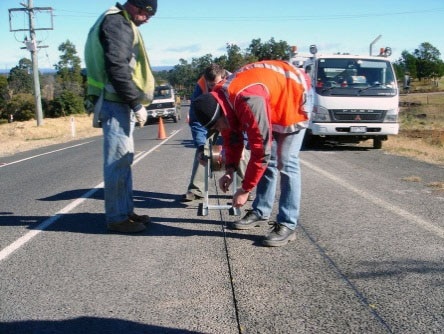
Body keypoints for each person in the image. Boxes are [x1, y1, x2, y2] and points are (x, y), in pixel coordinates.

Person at [192, 60, 312, 247]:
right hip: (272, 97)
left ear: (220, 114)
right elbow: (232, 137)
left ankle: (287, 224)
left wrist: (245, 189)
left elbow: (260, 152)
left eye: (216, 125)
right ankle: (261, 211)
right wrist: (230, 170)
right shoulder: (223, 102)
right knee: (269, 164)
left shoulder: (247, 100)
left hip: (293, 94)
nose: (218, 129)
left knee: (286, 162)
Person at [84, 0, 157, 233]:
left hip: (116, 101)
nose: (147, 20)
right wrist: (135, 104)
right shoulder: (117, 23)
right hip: (115, 102)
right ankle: (117, 218)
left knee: (124, 160)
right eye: (148, 14)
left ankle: (125, 211)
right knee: (117, 162)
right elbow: (117, 66)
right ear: (137, 7)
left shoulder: (117, 20)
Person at [181, 64, 231, 202]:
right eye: (209, 85)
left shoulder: (234, 83)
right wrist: (201, 145)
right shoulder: (200, 88)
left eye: (215, 84)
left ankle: (244, 188)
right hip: (211, 120)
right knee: (203, 150)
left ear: (224, 77)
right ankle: (196, 190)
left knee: (241, 151)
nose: (212, 88)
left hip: (230, 118)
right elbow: (196, 120)